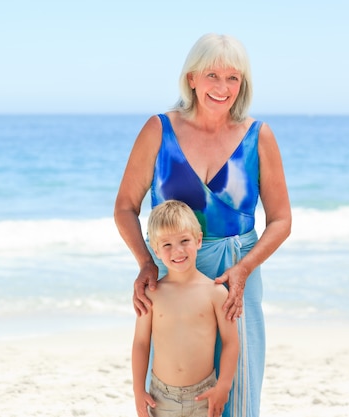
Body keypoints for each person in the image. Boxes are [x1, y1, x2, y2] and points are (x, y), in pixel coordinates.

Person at [114, 33, 292, 417]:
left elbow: (281, 221)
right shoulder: (158, 130)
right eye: (212, 75)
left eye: (233, 78)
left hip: (234, 278)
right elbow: (125, 207)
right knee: (171, 389)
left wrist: (243, 269)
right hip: (172, 274)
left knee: (236, 392)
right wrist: (147, 263)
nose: (222, 87)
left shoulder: (259, 136)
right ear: (191, 78)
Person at [133, 200, 239, 417]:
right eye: (167, 245)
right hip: (161, 397)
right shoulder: (152, 294)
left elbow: (230, 342)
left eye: (184, 240)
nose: (177, 251)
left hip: (204, 395)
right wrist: (137, 391)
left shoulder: (216, 292)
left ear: (198, 240)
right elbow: (141, 343)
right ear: (155, 249)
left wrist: (224, 386)